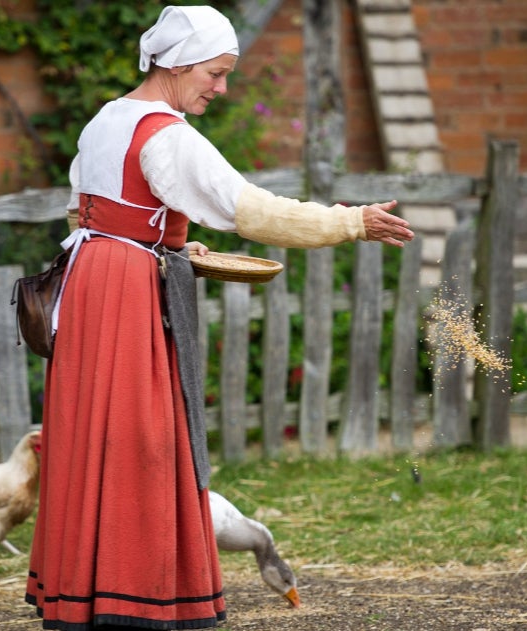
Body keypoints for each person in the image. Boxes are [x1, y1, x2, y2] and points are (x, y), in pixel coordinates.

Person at [25, 5, 413, 630]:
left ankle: (86, 593)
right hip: (122, 297)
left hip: (91, 281)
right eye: (215, 72)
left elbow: (87, 213)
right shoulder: (165, 134)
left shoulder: (107, 120)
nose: (222, 87)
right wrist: (349, 221)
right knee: (141, 441)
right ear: (178, 64)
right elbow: (248, 209)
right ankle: (132, 598)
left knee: (95, 435)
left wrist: (164, 247)